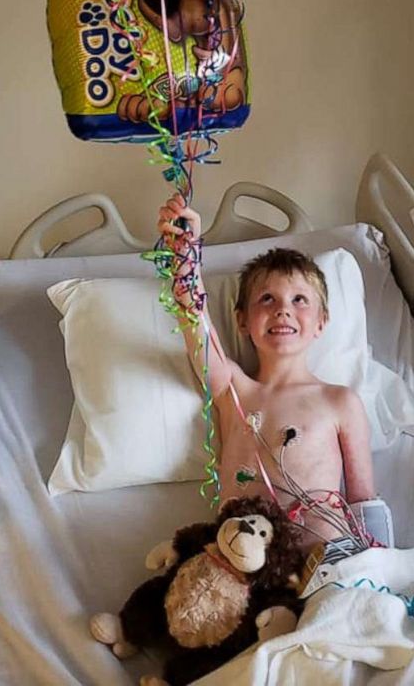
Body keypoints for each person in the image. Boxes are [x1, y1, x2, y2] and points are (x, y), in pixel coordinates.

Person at [158, 194, 375, 545]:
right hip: (247, 568)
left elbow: (365, 502)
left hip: (325, 562)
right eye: (266, 299)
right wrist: (186, 258)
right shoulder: (233, 389)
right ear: (242, 321)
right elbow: (194, 323)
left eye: (299, 300)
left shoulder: (340, 401)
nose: (282, 311)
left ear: (322, 323)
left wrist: (382, 569)